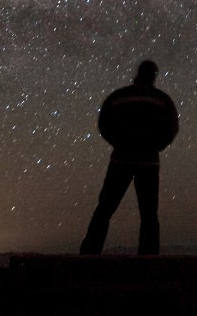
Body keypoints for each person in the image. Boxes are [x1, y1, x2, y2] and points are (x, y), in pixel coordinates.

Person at [79, 59, 179, 255]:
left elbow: (104, 124)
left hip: (120, 160)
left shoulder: (118, 96)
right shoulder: (162, 99)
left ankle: (89, 254)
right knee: (149, 214)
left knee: (104, 209)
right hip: (148, 162)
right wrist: (156, 146)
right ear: (154, 76)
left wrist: (119, 143)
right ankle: (148, 259)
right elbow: (172, 127)